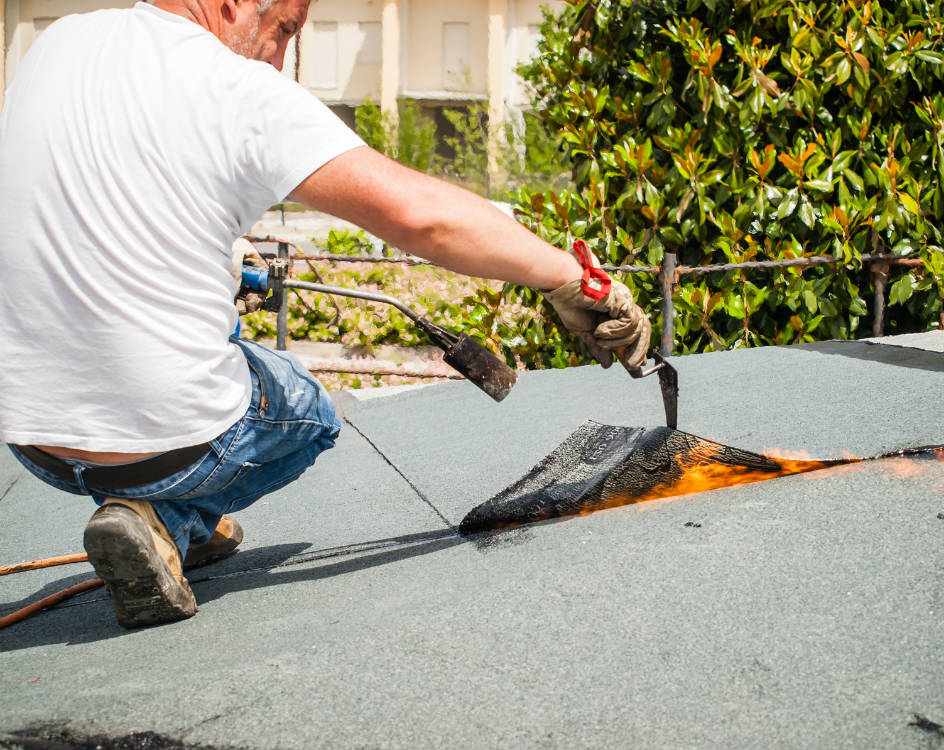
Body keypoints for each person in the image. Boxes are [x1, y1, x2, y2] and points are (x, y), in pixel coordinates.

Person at [0, 0, 651, 628]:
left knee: (212, 339)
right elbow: (421, 216)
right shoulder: (234, 87)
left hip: (30, 438)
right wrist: (576, 280)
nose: (280, 59)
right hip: (163, 451)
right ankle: (166, 518)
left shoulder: (60, 41)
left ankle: (159, 517)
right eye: (284, 29)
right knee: (308, 408)